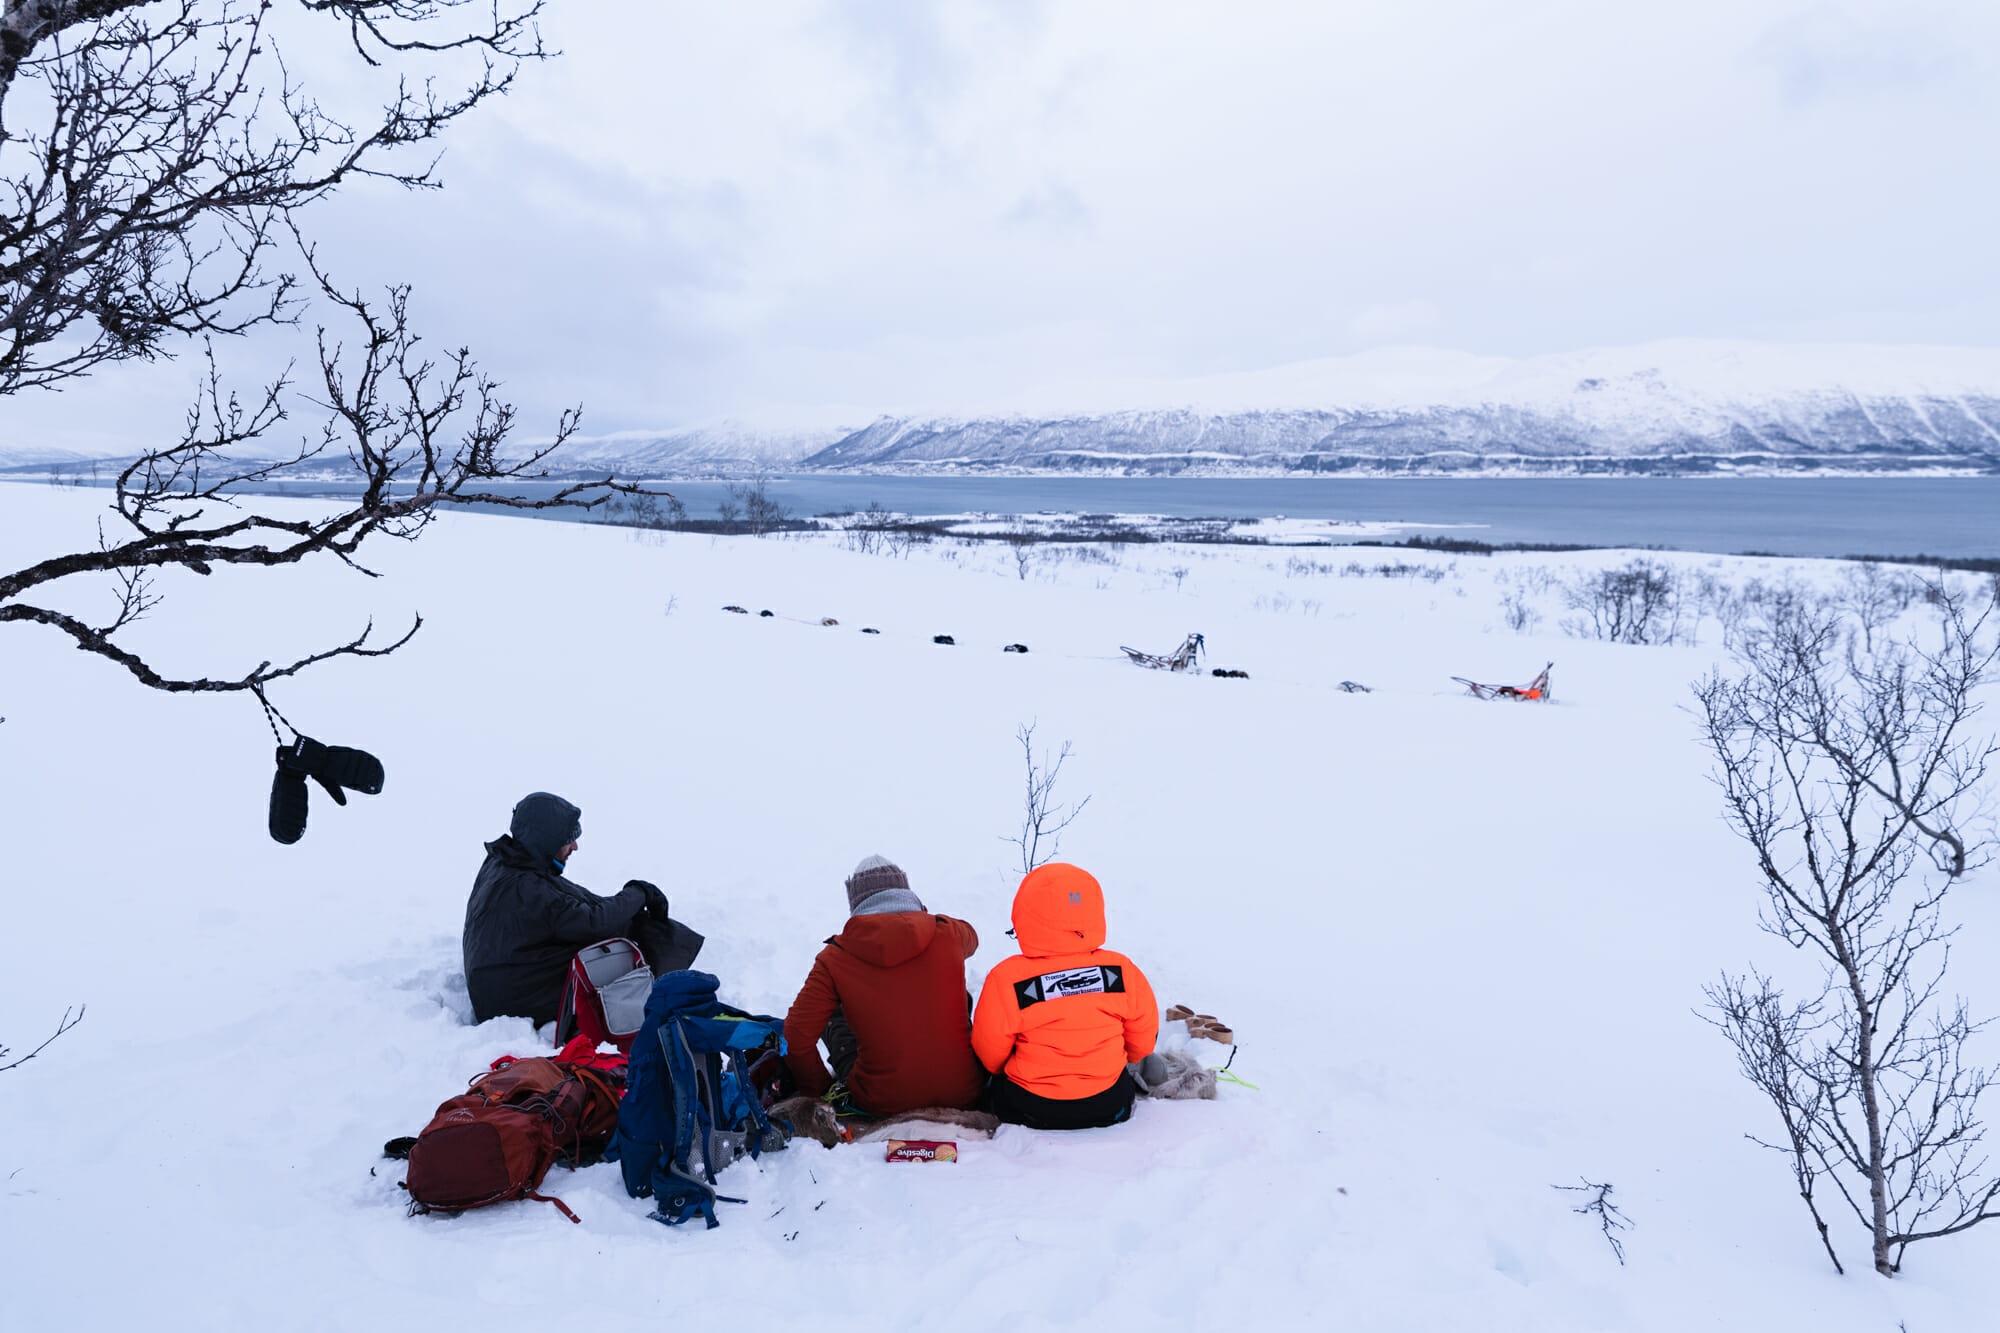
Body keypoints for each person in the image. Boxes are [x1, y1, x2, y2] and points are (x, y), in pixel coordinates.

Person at [463, 791, 703, 1026]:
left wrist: (630, 900)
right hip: (515, 998)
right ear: (546, 840)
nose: (575, 846)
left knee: (618, 923)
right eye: (568, 839)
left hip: (501, 981)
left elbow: (572, 900)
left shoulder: (505, 862)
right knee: (618, 944)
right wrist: (639, 893)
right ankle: (660, 991)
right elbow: (595, 922)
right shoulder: (530, 889)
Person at [782, 855, 986, 1117]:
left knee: (833, 1014)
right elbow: (973, 938)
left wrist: (818, 1090)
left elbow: (796, 1035)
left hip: (879, 1100)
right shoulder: (948, 933)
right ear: (906, 893)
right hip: (963, 1093)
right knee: (959, 995)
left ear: (855, 904)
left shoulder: (835, 958)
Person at [971, 861, 1159, 1130]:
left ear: (1025, 913)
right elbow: (1142, 1042)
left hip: (1029, 1108)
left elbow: (990, 1054)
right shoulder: (1121, 971)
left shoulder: (1007, 978)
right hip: (1109, 1104)